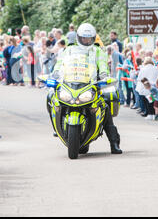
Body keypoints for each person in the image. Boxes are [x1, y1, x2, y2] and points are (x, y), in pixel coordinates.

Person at [52, 23, 122, 154]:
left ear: (93, 38)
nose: (86, 40)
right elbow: (60, 64)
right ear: (78, 37)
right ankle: (56, 128)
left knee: (104, 105)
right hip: (71, 83)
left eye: (89, 38)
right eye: (83, 38)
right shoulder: (70, 50)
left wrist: (104, 77)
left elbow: (103, 66)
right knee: (51, 96)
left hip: (92, 85)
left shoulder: (98, 51)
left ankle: (114, 143)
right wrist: (55, 74)